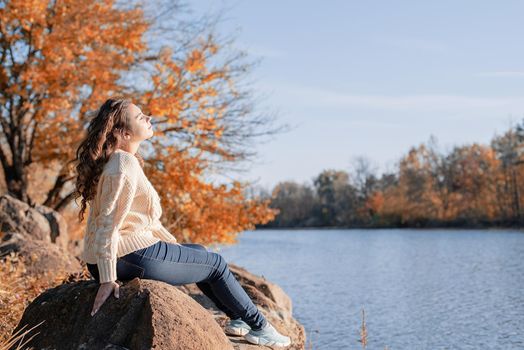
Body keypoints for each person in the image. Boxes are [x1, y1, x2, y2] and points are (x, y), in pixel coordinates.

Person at [73, 97, 291, 347]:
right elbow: (107, 224)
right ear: (123, 132)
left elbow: (137, 222)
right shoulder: (124, 164)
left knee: (198, 252)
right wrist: (107, 278)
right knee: (216, 264)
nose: (149, 118)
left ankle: (238, 319)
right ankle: (260, 327)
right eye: (140, 116)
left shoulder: (117, 161)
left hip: (123, 255)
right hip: (127, 257)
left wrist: (176, 250)